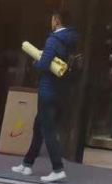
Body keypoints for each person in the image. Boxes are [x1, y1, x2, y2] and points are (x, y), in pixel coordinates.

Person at [12, 10, 78, 182]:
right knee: (39, 127)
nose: (51, 22)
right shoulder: (72, 39)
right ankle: (27, 164)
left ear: (57, 21)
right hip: (61, 90)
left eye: (52, 19)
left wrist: (36, 62)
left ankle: (58, 168)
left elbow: (44, 64)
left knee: (47, 129)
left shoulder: (53, 40)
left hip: (47, 90)